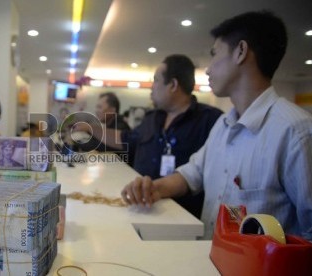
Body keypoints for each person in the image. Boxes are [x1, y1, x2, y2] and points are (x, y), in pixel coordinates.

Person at [121, 11, 312, 241]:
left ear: (240, 52)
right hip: (210, 259)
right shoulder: (223, 125)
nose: (208, 69)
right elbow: (193, 173)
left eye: (214, 54)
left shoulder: (295, 131)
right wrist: (153, 188)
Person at [75, 55, 222, 218]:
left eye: (156, 80)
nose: (151, 88)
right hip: (139, 209)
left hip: (182, 221)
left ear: (173, 85)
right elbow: (125, 139)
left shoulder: (212, 121)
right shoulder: (152, 118)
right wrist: (92, 129)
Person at [76, 92, 130, 157]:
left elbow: (98, 146)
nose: (96, 111)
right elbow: (95, 140)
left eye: (100, 107)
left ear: (112, 110)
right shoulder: (110, 125)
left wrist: (74, 141)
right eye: (97, 107)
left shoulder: (120, 127)